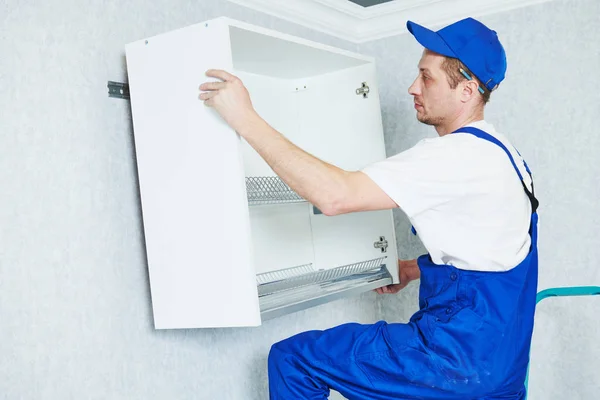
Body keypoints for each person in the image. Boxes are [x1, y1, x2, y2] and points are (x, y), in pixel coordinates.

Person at [199, 17, 539, 400]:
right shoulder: (505, 155)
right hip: (501, 370)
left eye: (426, 78)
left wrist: (243, 117)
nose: (413, 87)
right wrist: (413, 269)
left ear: (466, 90)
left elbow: (334, 196)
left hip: (453, 362)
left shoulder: (453, 155)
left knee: (293, 359)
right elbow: (487, 251)